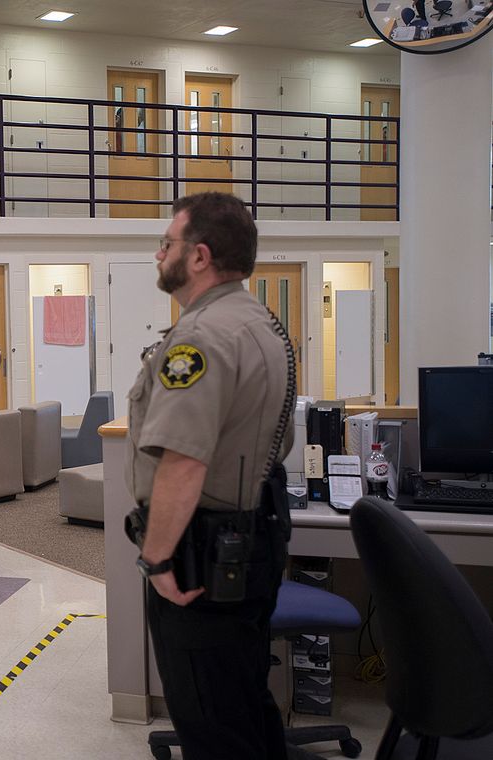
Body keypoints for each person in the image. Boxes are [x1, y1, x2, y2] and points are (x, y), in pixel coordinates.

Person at [125, 192, 295, 760]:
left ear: (198, 257)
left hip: (204, 551)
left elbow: (184, 460)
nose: (158, 254)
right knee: (242, 702)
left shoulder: (201, 337)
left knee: (209, 719)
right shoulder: (258, 320)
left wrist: (157, 558)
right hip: (252, 533)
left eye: (166, 244)